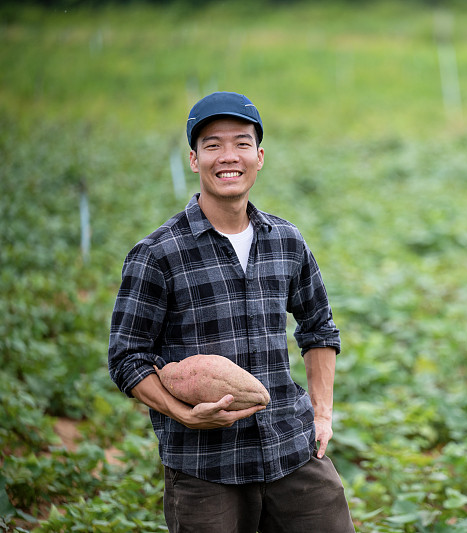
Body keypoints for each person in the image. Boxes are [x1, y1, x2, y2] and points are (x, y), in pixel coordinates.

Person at [108, 91, 355, 532]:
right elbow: (127, 358)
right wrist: (181, 413)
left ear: (259, 157)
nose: (228, 157)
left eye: (241, 143)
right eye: (212, 145)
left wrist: (321, 414)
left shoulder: (286, 241)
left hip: (291, 451)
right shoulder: (157, 254)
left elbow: (318, 328)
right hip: (205, 466)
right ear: (193, 159)